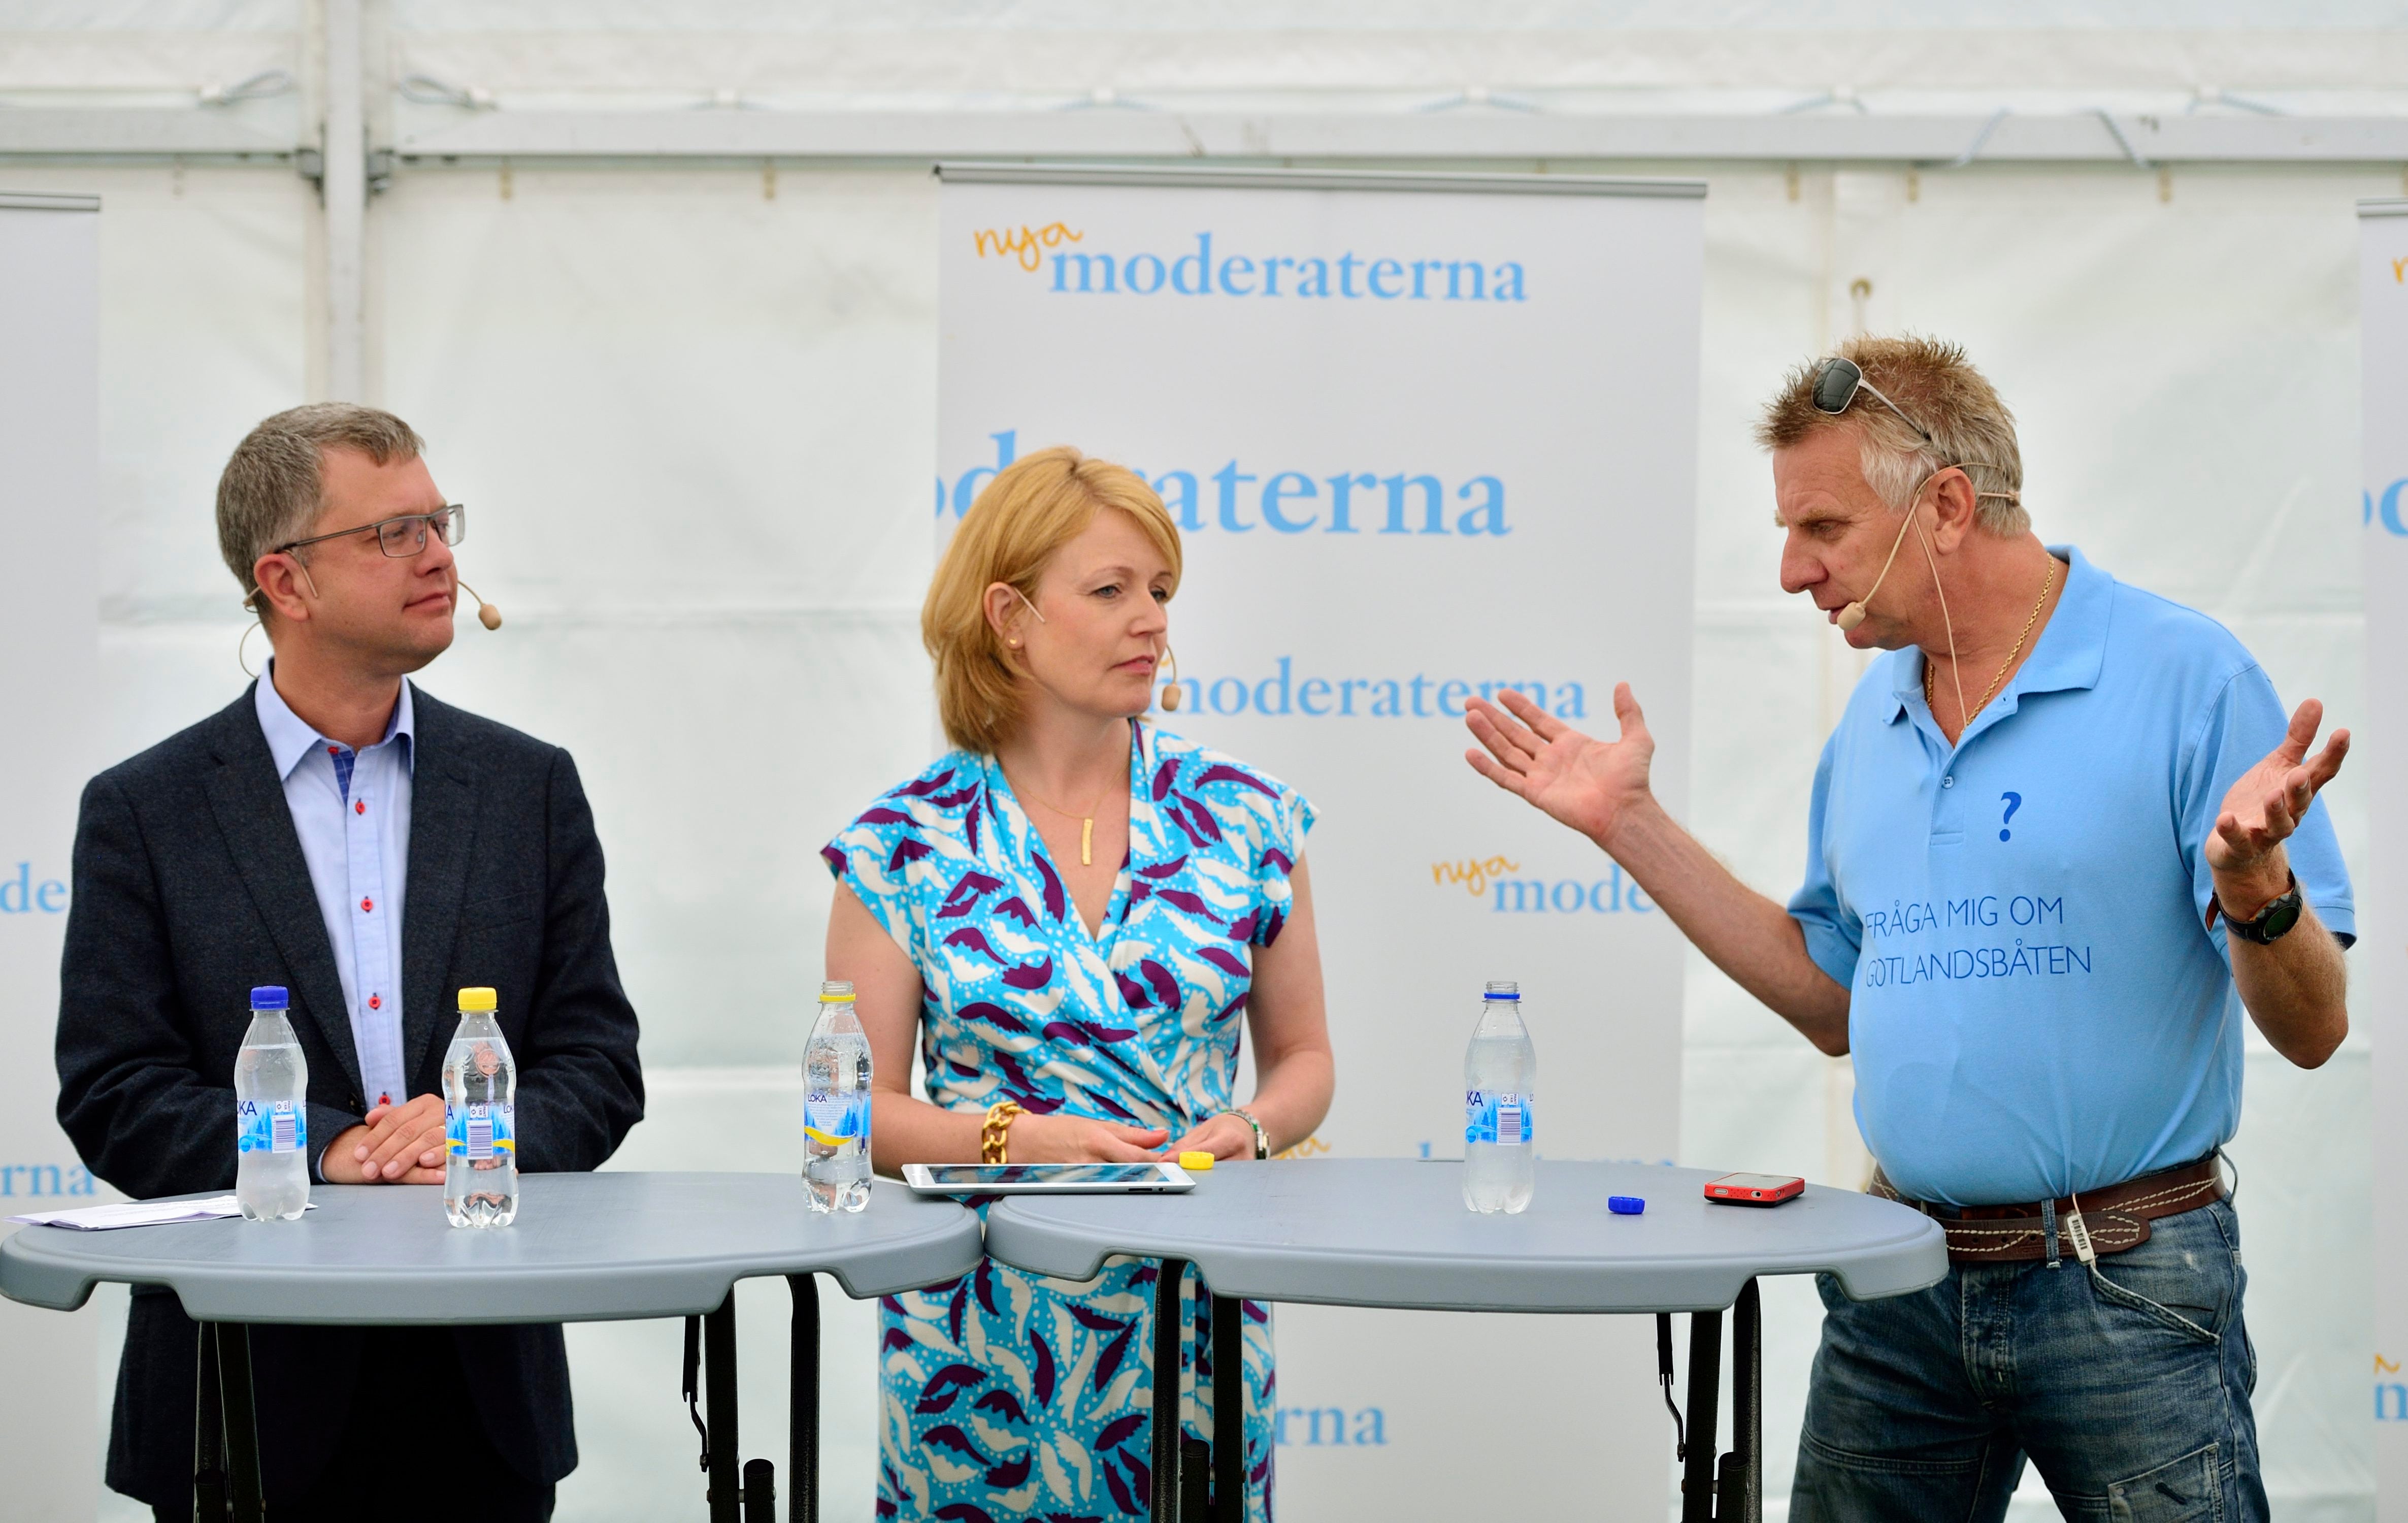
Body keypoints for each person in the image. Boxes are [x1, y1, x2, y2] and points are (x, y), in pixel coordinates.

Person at [1463, 336, 2350, 1521]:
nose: (1789, 571)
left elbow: (2312, 1029)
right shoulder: (1871, 721)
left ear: (1942, 506)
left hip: (2126, 1287)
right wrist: (1630, 827)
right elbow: (1835, 1003)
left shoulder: (2184, 675)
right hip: (1899, 1284)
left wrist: (2255, 890)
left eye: (1820, 529)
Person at [56, 404, 645, 1520]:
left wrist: (481, 1131)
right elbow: (116, 1095)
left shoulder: (528, 790)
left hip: (481, 1392)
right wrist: (326, 1149)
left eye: (437, 521)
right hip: (241, 1398)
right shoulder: (148, 811)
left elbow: (598, 1068)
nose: (438, 556)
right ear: (286, 582)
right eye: (391, 533)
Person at [823, 445, 1333, 1521]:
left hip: (1194, 1321)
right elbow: (852, 1114)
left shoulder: (1246, 816)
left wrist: (1249, 1127)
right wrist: (1019, 1139)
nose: (1149, 619)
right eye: (1109, 591)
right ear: (1008, 616)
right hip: (977, 1353)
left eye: (1159, 591)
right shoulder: (902, 843)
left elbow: (1305, 1062)